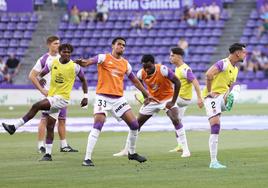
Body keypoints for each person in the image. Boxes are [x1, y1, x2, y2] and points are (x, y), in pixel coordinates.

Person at [75, 37, 157, 167]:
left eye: (124, 45)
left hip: (118, 99)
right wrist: (83, 63)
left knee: (135, 125)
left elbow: (135, 80)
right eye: (119, 44)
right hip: (103, 97)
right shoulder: (103, 57)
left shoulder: (125, 64)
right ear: (113, 45)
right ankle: (87, 158)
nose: (121, 47)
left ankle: (132, 153)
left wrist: (146, 94)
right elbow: (89, 62)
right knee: (98, 124)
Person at [2, 43, 88, 161]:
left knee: (36, 105)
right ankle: (48, 154)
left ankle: (14, 127)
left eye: (69, 52)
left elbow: (83, 80)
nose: (66, 54)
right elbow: (41, 73)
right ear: (60, 52)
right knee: (50, 126)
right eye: (64, 51)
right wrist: (41, 79)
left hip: (62, 98)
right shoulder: (52, 62)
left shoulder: (75, 66)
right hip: (53, 96)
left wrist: (85, 96)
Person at [113, 54, 191, 158]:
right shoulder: (141, 73)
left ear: (154, 64)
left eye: (149, 67)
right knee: (136, 124)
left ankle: (186, 150)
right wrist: (145, 98)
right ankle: (127, 150)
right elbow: (140, 85)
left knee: (175, 119)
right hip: (152, 101)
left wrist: (173, 101)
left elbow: (177, 82)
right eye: (144, 67)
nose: (146, 69)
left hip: (167, 99)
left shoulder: (163, 70)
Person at [28, 36, 78, 154]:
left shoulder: (63, 58)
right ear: (49, 45)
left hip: (61, 94)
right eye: (55, 43)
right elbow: (32, 75)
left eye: (58, 43)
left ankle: (64, 145)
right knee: (45, 119)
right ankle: (41, 145)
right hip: (50, 95)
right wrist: (42, 90)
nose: (58, 45)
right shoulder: (44, 59)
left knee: (62, 120)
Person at [203, 43, 246, 169]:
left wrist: (226, 94)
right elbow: (209, 74)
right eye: (244, 52)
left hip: (221, 97)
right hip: (212, 98)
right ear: (237, 53)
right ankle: (213, 161)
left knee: (236, 87)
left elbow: (227, 85)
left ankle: (228, 102)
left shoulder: (235, 69)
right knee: (216, 127)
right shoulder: (223, 63)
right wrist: (210, 91)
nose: (245, 54)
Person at [168, 47, 203, 153]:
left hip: (182, 99)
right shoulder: (177, 68)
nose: (170, 57)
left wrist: (199, 98)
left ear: (178, 56)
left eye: (172, 55)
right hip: (182, 100)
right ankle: (180, 145)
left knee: (165, 98)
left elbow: (195, 82)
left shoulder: (184, 69)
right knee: (177, 121)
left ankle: (145, 99)